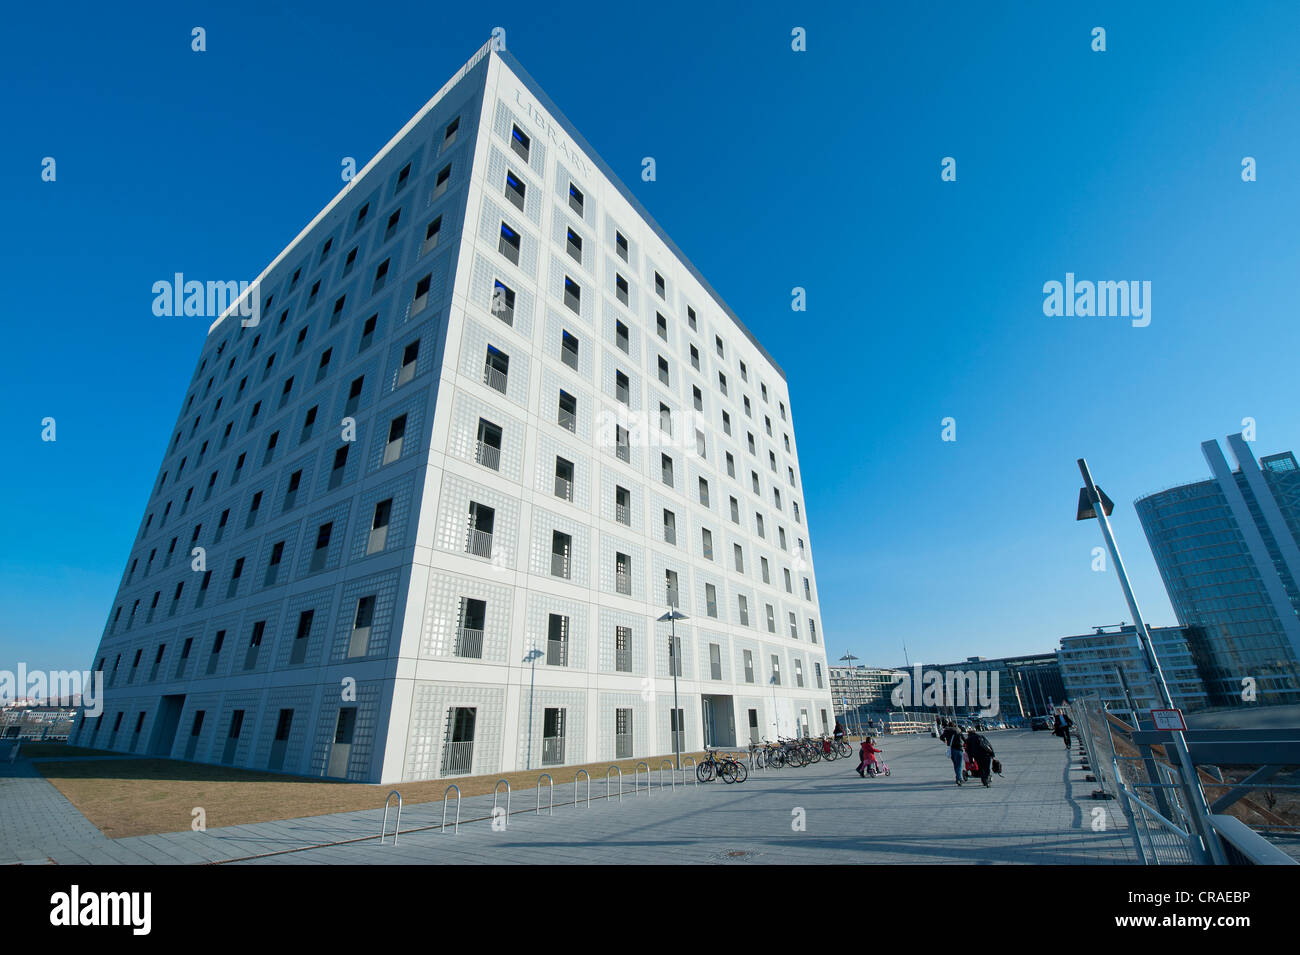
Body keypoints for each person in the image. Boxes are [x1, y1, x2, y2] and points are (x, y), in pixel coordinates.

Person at [939, 720, 964, 785]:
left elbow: (941, 737)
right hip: (958, 748)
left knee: (955, 764)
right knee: (959, 765)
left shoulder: (946, 731)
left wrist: (945, 741)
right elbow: (964, 739)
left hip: (951, 749)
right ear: (954, 725)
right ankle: (959, 778)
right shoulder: (958, 730)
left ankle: (957, 777)